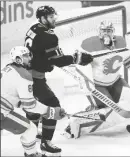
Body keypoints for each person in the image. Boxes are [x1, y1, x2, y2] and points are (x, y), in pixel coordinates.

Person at [63, 21, 130, 138]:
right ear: (99, 32)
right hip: (97, 85)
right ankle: (77, 122)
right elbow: (77, 64)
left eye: (109, 31)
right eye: (104, 31)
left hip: (116, 82)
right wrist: (80, 59)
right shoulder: (89, 44)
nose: (106, 33)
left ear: (113, 32)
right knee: (110, 112)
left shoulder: (122, 43)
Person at [24, 5, 93, 156]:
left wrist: (46, 60)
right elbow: (59, 60)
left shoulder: (33, 28)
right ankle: (46, 143)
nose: (54, 19)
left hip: (24, 75)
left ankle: (33, 134)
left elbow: (42, 53)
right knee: (53, 107)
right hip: (35, 78)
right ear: (42, 18)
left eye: (53, 16)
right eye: (50, 17)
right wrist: (78, 58)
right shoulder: (49, 36)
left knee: (36, 107)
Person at [1, 46, 66, 157]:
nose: (29, 58)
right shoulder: (24, 75)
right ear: (18, 59)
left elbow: (9, 95)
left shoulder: (7, 69)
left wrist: (25, 102)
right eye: (26, 56)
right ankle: (31, 155)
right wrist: (51, 111)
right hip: (2, 112)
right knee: (31, 129)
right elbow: (30, 106)